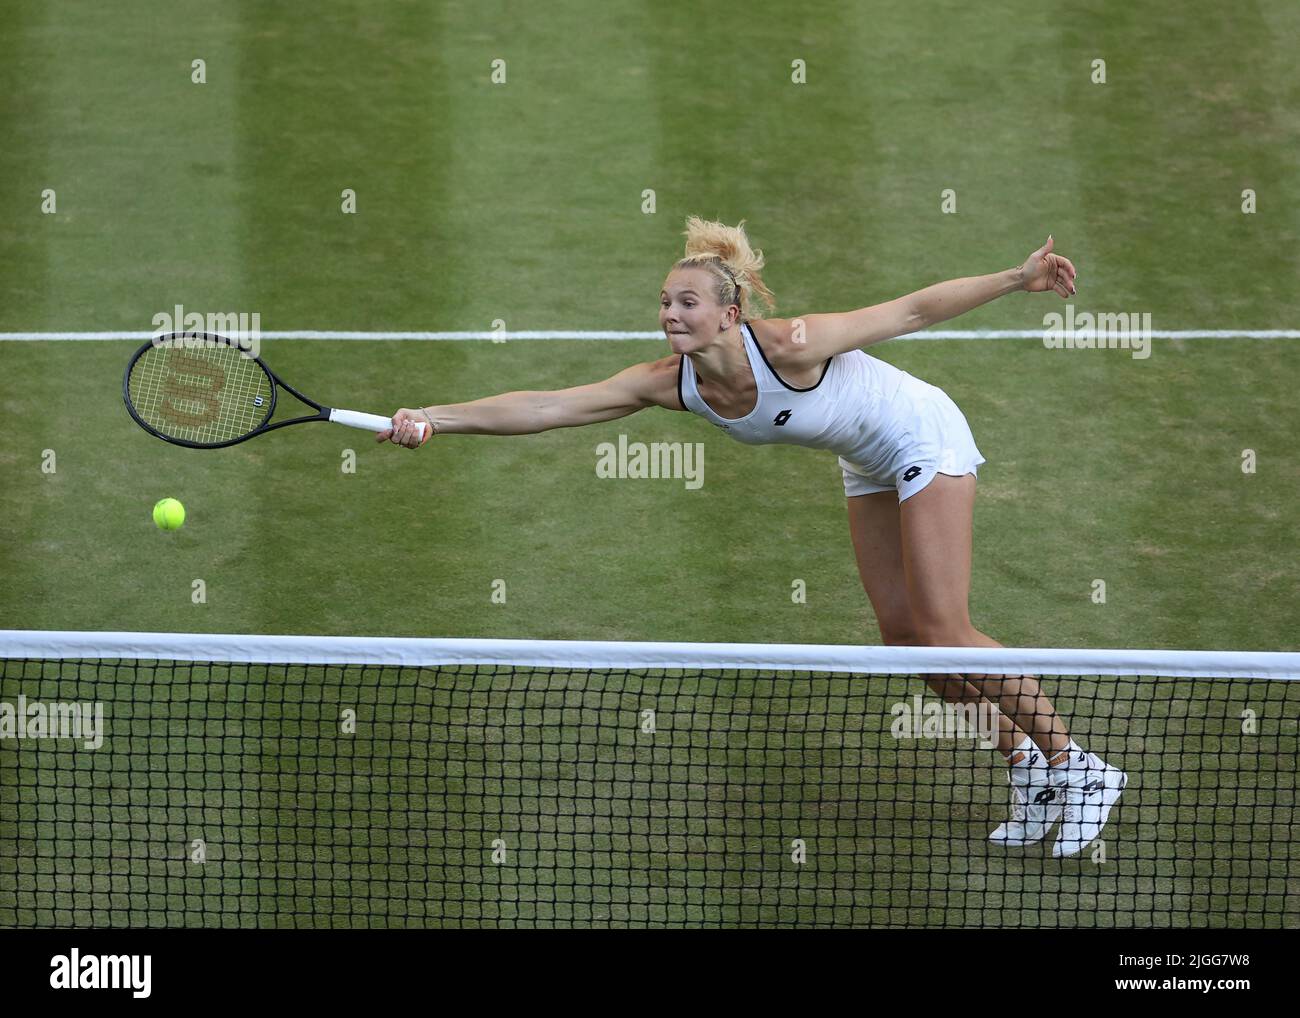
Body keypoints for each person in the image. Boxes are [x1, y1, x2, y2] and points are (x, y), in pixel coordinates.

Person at [378, 216, 1125, 858]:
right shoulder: (670, 381)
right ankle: (1028, 762)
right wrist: (437, 416)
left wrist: (1018, 276)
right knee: (904, 641)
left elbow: (910, 312)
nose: (671, 313)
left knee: (942, 628)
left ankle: (1079, 764)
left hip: (923, 436)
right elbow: (549, 406)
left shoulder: (793, 345)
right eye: (666, 301)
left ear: (730, 314)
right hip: (865, 459)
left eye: (688, 302)